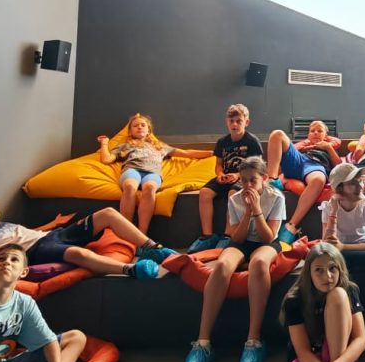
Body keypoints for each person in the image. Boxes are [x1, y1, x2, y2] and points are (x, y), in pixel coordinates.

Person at [184, 157, 287, 362]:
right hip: (242, 241)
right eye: (244, 181)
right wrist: (247, 212)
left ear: (264, 178)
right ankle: (203, 342)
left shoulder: (276, 197)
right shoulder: (235, 199)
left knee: (259, 263)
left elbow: (268, 237)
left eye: (253, 180)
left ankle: (254, 340)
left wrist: (257, 210)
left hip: (267, 241)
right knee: (222, 265)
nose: (248, 185)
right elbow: (236, 237)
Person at [0, 192, 172, 280]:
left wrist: (53, 224)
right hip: (38, 251)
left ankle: (153, 248)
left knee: (107, 213)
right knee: (78, 254)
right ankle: (130, 270)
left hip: (54, 235)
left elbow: (25, 232)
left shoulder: (0, 223)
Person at [97, 113, 208, 235]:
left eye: (143, 125)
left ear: (148, 130)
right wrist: (104, 143)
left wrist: (212, 153)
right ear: (130, 131)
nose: (139, 127)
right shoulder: (124, 146)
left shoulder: (160, 146)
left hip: (152, 173)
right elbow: (106, 159)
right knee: (130, 186)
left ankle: (141, 233)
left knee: (150, 188)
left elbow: (186, 153)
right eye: (135, 126)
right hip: (132, 170)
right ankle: (127, 231)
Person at [190, 104, 264, 253]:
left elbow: (257, 167)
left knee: (233, 194)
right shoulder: (222, 142)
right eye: (231, 121)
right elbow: (218, 164)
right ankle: (207, 235)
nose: (234, 124)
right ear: (227, 122)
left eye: (239, 121)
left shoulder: (252, 141)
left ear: (246, 122)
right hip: (225, 176)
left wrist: (237, 175)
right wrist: (220, 175)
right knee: (204, 192)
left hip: (244, 178)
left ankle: (227, 235)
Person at [265, 124, 333, 238]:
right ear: (308, 135)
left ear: (326, 136)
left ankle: (291, 226)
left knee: (318, 180)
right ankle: (272, 181)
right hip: (300, 160)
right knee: (277, 134)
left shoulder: (329, 147)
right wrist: (300, 149)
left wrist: (329, 148)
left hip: (315, 165)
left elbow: (338, 164)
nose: (316, 133)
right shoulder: (302, 147)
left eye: (320, 131)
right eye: (312, 131)